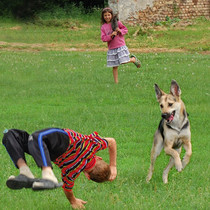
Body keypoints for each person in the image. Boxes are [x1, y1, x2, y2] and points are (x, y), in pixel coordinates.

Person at [2, 128, 117, 209]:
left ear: (98, 158)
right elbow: (68, 189)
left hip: (63, 139)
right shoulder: (72, 172)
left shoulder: (92, 146)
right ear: (87, 176)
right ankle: (25, 172)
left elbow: (112, 141)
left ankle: (48, 175)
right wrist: (73, 201)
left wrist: (113, 166)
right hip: (46, 151)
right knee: (12, 134)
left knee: (32, 136)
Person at [101, 7, 141, 84]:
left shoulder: (117, 23)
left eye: (109, 15)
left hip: (120, 45)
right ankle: (116, 83)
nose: (107, 17)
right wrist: (110, 36)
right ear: (103, 16)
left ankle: (133, 59)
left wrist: (120, 30)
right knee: (115, 66)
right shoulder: (103, 27)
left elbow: (125, 29)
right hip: (112, 48)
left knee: (123, 61)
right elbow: (103, 38)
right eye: (105, 15)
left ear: (111, 15)